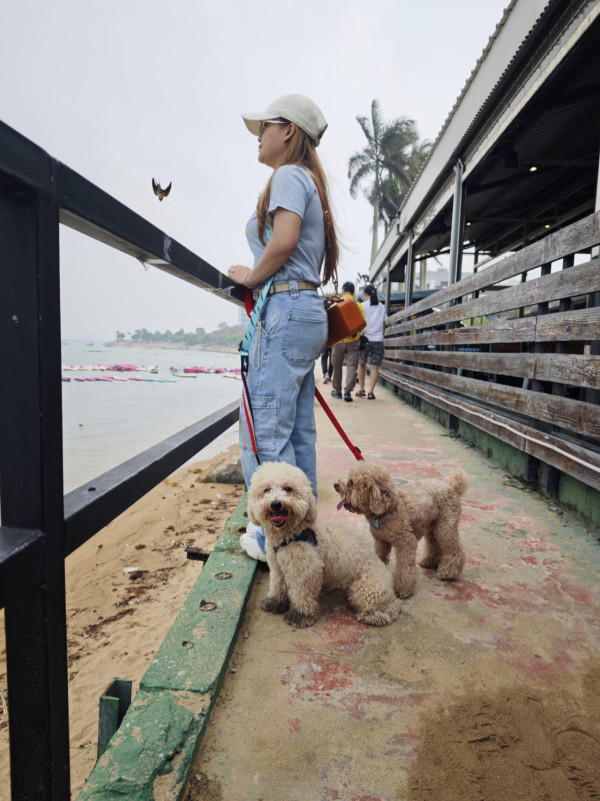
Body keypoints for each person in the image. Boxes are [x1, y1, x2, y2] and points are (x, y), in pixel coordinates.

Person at [227, 94, 339, 560]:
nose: (259, 136)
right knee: (296, 432)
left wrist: (250, 276)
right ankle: (302, 535)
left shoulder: (290, 176)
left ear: (288, 130)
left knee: (267, 428)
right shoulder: (309, 180)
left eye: (265, 128)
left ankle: (276, 542)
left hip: (287, 308)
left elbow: (285, 240)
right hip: (304, 309)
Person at [330, 281, 364, 402]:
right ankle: (348, 392)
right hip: (354, 340)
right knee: (352, 365)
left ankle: (337, 391)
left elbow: (333, 323)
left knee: (337, 365)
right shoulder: (358, 305)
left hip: (339, 340)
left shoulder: (337, 304)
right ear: (353, 292)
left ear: (343, 290)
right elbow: (362, 323)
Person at [356, 283, 386, 399]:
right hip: (378, 340)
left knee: (362, 364)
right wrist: (380, 333)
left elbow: (359, 323)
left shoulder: (362, 306)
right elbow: (384, 324)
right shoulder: (382, 306)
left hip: (365, 339)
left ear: (365, 294)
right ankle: (371, 392)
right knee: (374, 367)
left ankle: (362, 390)